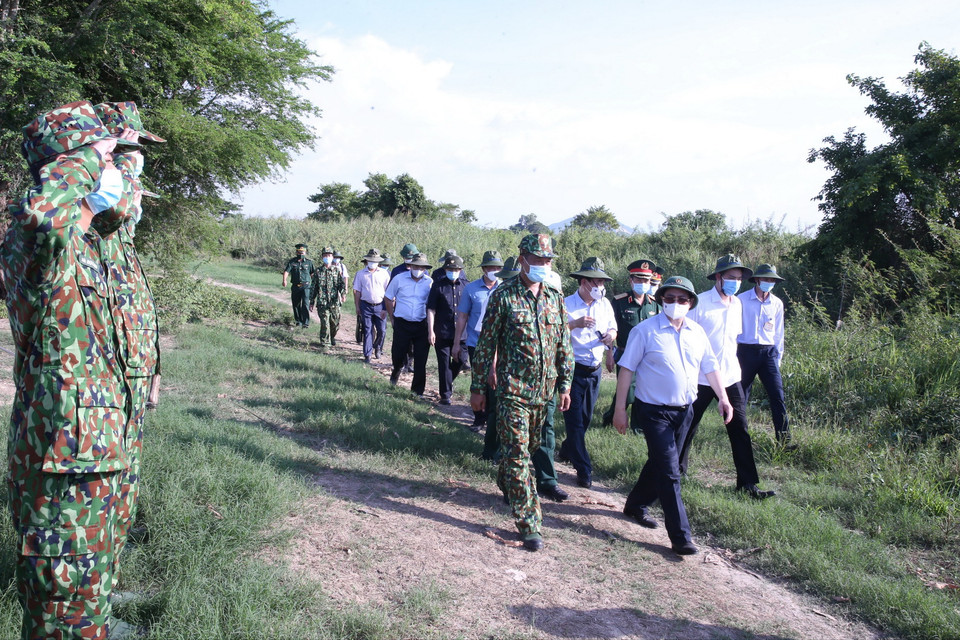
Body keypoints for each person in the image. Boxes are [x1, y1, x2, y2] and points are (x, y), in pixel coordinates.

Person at [2, 100, 143, 638]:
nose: (110, 165)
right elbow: (45, 213)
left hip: (91, 445)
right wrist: (86, 160)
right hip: (63, 450)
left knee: (83, 585)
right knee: (61, 598)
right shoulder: (38, 241)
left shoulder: (82, 243)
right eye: (100, 156)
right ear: (65, 165)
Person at [92, 102, 164, 619]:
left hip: (133, 376)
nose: (138, 170)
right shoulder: (92, 233)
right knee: (100, 491)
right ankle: (89, 602)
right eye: (129, 155)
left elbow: (138, 314)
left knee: (123, 482)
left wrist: (154, 369)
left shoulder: (125, 247)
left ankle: (107, 583)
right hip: (101, 387)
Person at [613, 276, 733, 556]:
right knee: (671, 473)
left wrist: (724, 398)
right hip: (654, 412)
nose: (675, 304)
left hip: (685, 411)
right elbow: (627, 370)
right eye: (670, 299)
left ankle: (635, 504)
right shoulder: (644, 331)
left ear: (690, 303)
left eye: (682, 299)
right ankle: (681, 537)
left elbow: (711, 366)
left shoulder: (697, 332)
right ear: (661, 300)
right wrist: (620, 409)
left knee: (662, 463)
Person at [470, 234, 574, 551]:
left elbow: (563, 344)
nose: (543, 265)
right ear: (523, 259)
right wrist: (477, 388)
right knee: (516, 454)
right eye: (538, 259)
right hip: (512, 391)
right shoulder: (504, 296)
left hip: (544, 393)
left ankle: (507, 481)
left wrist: (565, 383)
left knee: (526, 450)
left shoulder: (555, 298)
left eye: (548, 260)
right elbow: (486, 346)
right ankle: (530, 524)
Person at [677, 254, 775, 499]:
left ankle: (748, 485)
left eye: (739, 279)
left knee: (740, 429)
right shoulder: (700, 303)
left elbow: (733, 341)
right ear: (718, 277)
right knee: (687, 426)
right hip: (699, 377)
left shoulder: (738, 304)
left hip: (730, 377)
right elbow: (685, 338)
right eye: (731, 278)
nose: (735, 283)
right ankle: (674, 474)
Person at [557, 257, 617, 488]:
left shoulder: (605, 305)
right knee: (574, 422)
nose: (600, 287)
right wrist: (575, 324)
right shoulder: (566, 304)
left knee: (585, 418)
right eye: (595, 282)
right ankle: (584, 469)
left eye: (602, 282)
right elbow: (553, 330)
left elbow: (613, 328)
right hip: (572, 368)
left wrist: (611, 337)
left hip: (595, 368)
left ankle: (566, 449)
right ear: (583, 282)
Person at [737, 264, 793, 446]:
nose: (768, 283)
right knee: (741, 396)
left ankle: (784, 440)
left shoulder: (776, 303)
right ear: (757, 280)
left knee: (777, 395)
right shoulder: (742, 300)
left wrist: (779, 358)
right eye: (765, 279)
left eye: (772, 280)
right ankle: (740, 436)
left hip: (768, 353)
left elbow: (779, 333)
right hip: (745, 351)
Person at [601, 259, 661, 426]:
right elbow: (612, 328)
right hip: (625, 353)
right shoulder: (620, 301)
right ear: (631, 280)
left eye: (646, 280)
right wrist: (610, 354)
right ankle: (610, 418)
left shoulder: (655, 304)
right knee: (627, 391)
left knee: (643, 390)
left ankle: (637, 425)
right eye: (639, 280)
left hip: (648, 356)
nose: (643, 283)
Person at [453, 250, 504, 430]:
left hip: (500, 345)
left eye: (497, 267)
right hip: (477, 343)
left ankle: (493, 419)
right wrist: (457, 342)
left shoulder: (505, 287)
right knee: (479, 381)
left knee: (496, 383)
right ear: (484, 268)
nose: (494, 270)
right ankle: (478, 418)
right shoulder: (471, 288)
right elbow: (462, 316)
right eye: (491, 267)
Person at [385, 253, 433, 395]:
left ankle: (417, 392)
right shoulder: (399, 279)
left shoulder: (429, 282)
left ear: (425, 268)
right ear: (411, 266)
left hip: (421, 325)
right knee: (398, 354)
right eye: (416, 266)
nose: (418, 269)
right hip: (402, 323)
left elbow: (433, 305)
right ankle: (395, 374)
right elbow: (388, 297)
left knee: (420, 359)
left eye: (421, 267)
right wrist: (392, 317)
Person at [427, 254, 467, 405]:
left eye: (456, 269)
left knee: (461, 360)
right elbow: (431, 309)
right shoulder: (438, 285)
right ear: (445, 270)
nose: (453, 271)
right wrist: (431, 331)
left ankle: (447, 382)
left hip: (462, 333)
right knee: (444, 363)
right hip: (442, 331)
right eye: (450, 269)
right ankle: (445, 395)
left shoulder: (466, 286)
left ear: (460, 270)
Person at [353, 248, 390, 363]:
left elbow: (388, 291)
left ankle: (378, 346)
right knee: (367, 329)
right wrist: (357, 306)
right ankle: (367, 355)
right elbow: (357, 291)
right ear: (367, 260)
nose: (372, 262)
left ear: (379, 262)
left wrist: (387, 308)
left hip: (380, 305)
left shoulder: (384, 274)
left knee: (382, 330)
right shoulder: (360, 274)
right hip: (366, 305)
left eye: (375, 261)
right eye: (370, 260)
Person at [311, 246, 346, 349]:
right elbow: (314, 287)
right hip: (322, 302)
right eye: (325, 255)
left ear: (332, 257)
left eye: (329, 255)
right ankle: (325, 344)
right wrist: (311, 301)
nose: (327, 257)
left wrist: (343, 294)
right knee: (325, 323)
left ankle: (332, 337)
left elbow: (341, 285)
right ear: (322, 257)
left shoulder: (336, 270)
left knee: (335, 323)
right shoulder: (318, 271)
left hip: (334, 302)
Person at [282, 243, 315, 328]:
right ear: (296, 252)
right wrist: (284, 280)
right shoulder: (292, 262)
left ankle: (306, 323)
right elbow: (286, 271)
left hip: (306, 286)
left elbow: (312, 274)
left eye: (302, 252)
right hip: (296, 286)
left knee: (305, 304)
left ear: (305, 252)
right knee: (296, 304)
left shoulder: (309, 262)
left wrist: (315, 284)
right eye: (299, 252)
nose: (301, 254)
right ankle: (298, 322)